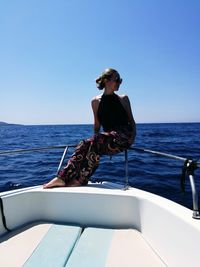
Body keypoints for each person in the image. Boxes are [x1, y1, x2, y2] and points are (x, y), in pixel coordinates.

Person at [43, 68, 136, 188]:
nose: (120, 83)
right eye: (117, 79)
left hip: (124, 136)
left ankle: (80, 179)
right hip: (108, 137)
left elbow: (132, 122)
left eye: (120, 80)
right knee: (83, 144)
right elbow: (97, 124)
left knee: (95, 141)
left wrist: (131, 139)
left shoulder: (123, 99)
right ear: (107, 81)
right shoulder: (95, 102)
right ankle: (63, 178)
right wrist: (97, 144)